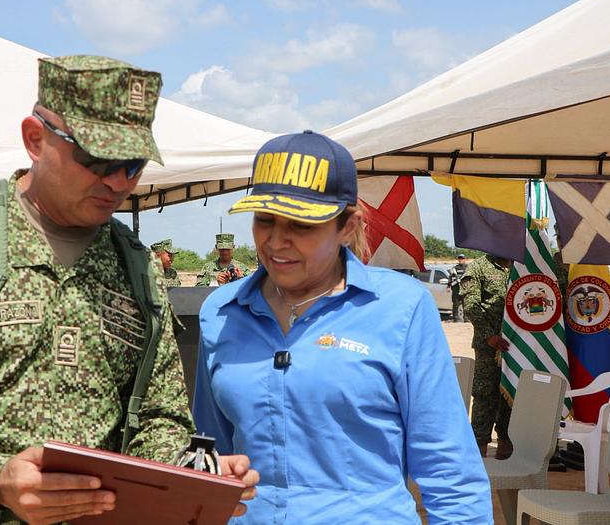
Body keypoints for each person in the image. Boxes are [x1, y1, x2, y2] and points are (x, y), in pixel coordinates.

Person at [0, 55, 257, 524]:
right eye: (96, 159)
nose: (118, 181)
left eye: (134, 165)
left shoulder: (136, 266)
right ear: (35, 139)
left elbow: (159, 418)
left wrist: (190, 473)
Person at [193, 130, 492, 524]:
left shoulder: (400, 308)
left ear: (348, 226)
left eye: (301, 224)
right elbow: (208, 451)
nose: (277, 241)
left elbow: (449, 469)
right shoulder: (221, 312)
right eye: (265, 220)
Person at [460, 253, 514, 460]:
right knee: (485, 395)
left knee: (511, 395)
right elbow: (471, 305)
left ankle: (505, 443)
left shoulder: (522, 265)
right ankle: (479, 446)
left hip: (517, 346)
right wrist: (488, 335)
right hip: (488, 347)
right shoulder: (478, 267)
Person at [449, 253, 468, 322]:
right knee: (456, 304)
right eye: (459, 258)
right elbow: (450, 278)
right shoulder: (454, 268)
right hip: (456, 289)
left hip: (465, 288)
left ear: (465, 259)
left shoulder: (468, 267)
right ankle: (455, 318)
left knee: (465, 304)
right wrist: (448, 286)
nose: (461, 260)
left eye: (462, 258)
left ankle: (466, 318)